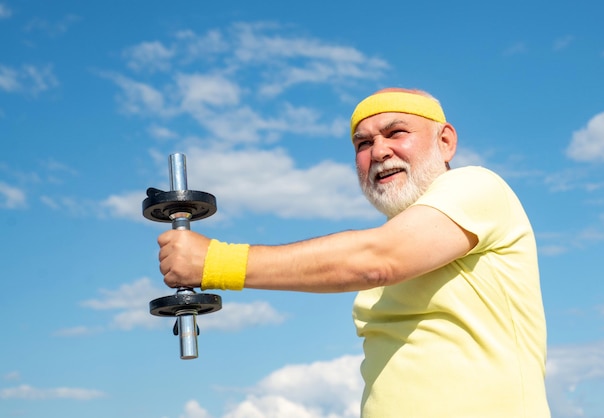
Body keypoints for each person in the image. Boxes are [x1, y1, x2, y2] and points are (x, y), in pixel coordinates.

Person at [157, 88, 551, 417]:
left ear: (445, 141)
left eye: (396, 132)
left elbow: (378, 261)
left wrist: (215, 262)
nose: (378, 152)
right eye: (363, 143)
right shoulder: (392, 241)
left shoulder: (478, 187)